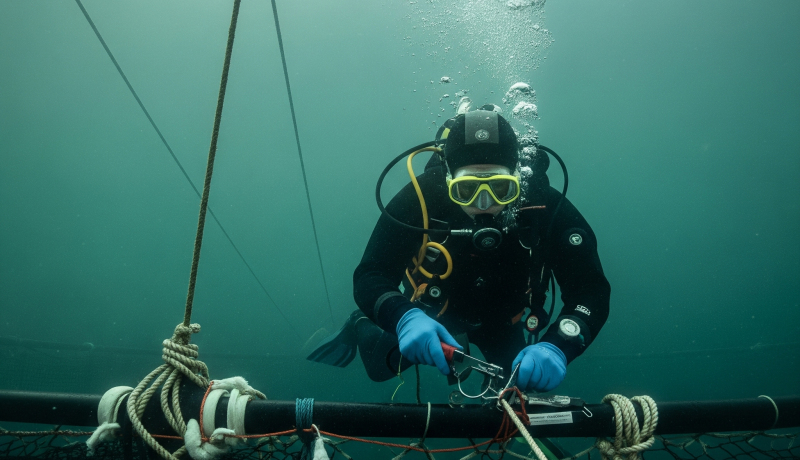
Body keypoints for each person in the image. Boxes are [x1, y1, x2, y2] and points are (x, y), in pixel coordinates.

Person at [309, 107, 610, 393]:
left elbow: (590, 290)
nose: (484, 203)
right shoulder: (423, 197)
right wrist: (402, 316)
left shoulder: (544, 206)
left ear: (517, 180)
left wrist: (559, 345)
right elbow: (370, 274)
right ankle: (359, 323)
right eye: (467, 190)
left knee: (514, 391)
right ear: (449, 179)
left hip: (504, 319)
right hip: (431, 312)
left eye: (501, 188)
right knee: (379, 367)